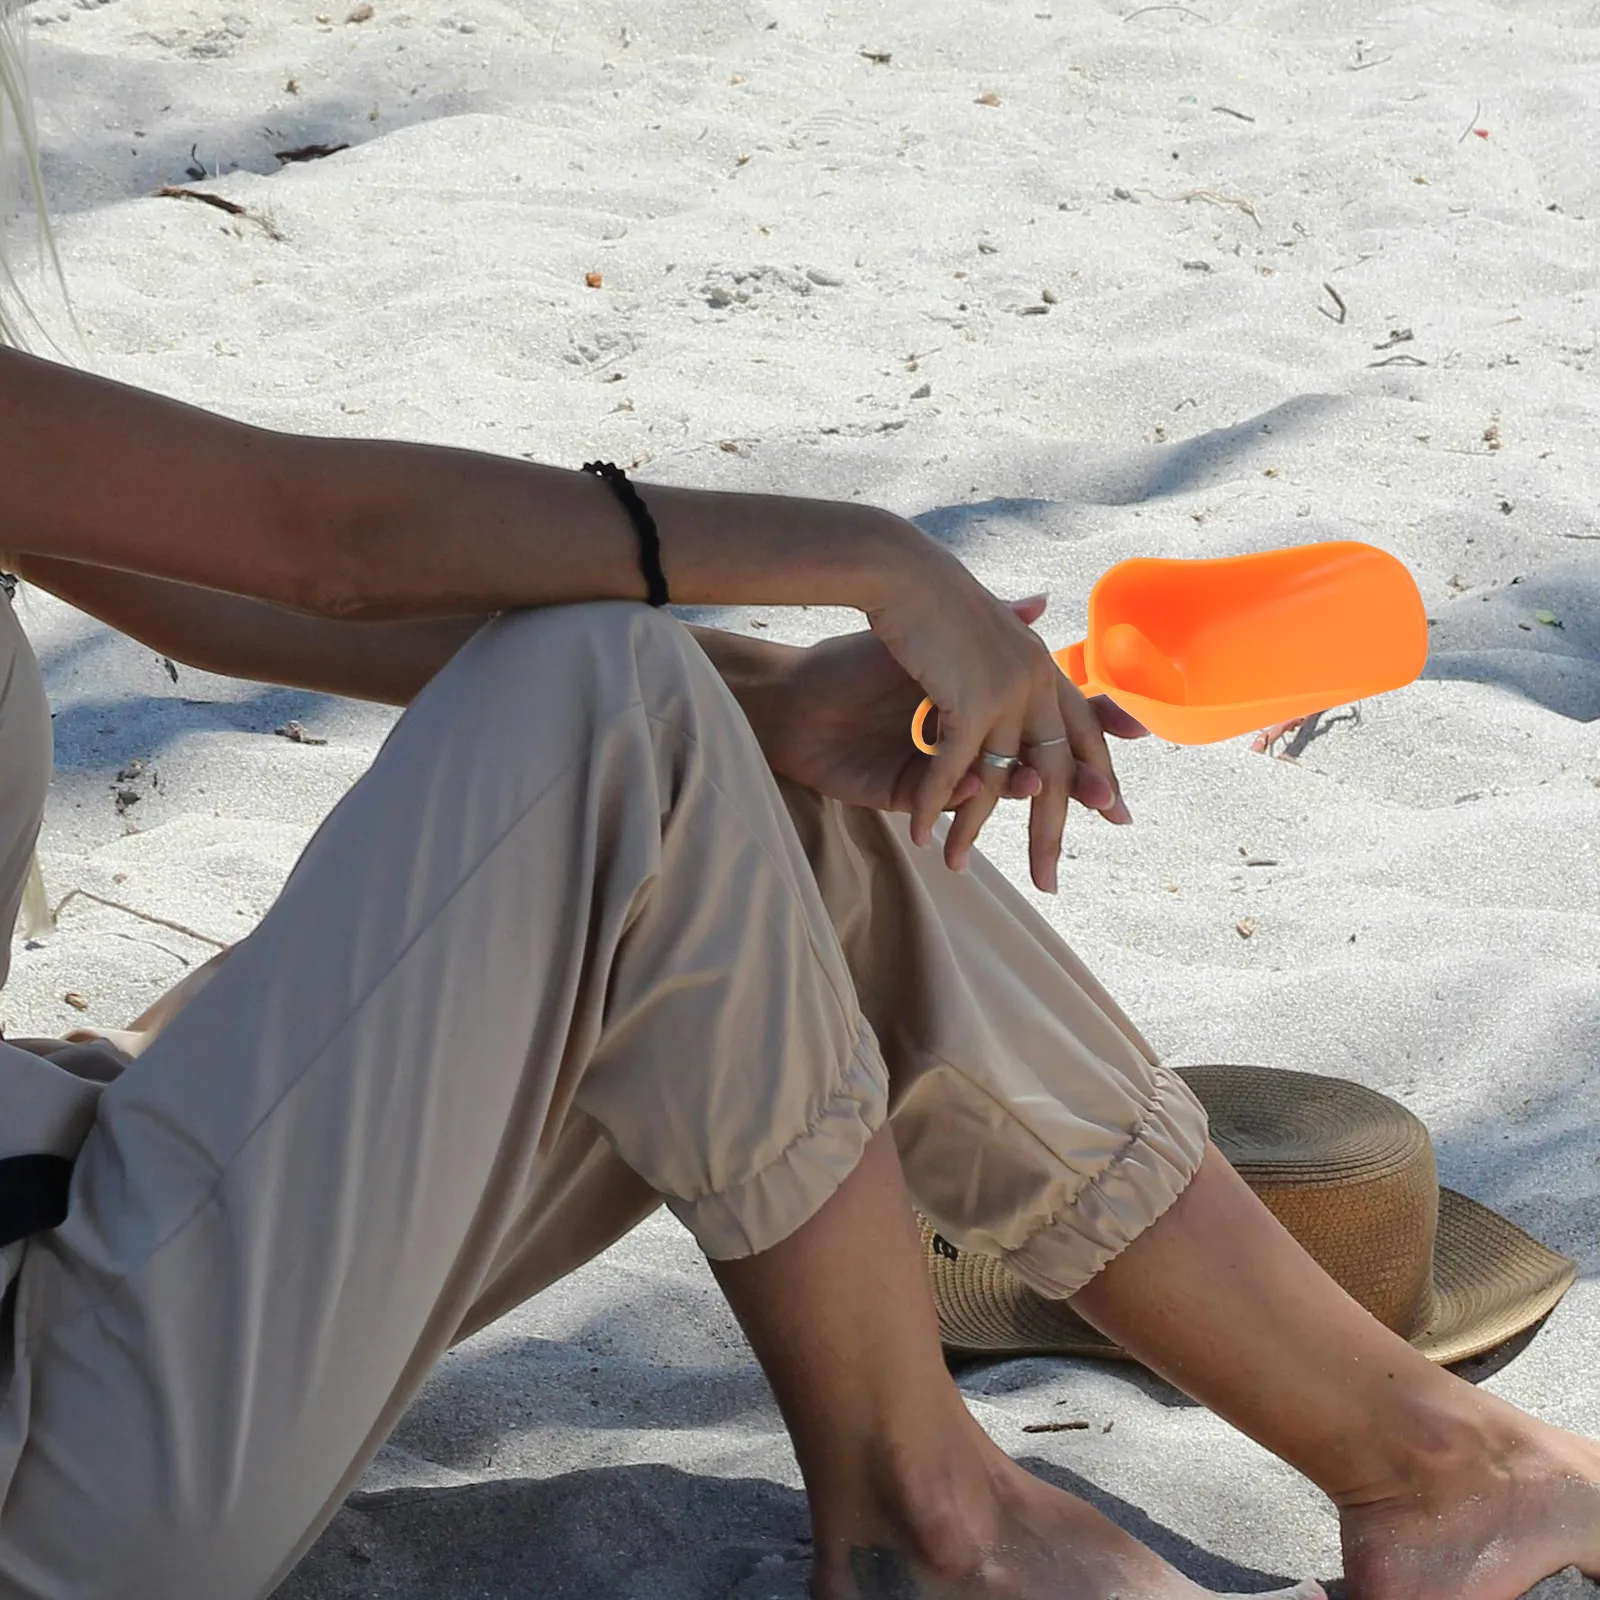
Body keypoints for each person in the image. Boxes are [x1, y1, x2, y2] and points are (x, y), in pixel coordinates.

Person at [0, 39, 1597, 1600]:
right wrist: (868, 553)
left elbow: (217, 587)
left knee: (717, 749)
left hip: (66, 1189)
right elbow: (320, 539)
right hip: (51, 1448)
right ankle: (935, 1518)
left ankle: (1434, 1465)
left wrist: (763, 706)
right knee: (623, 706)